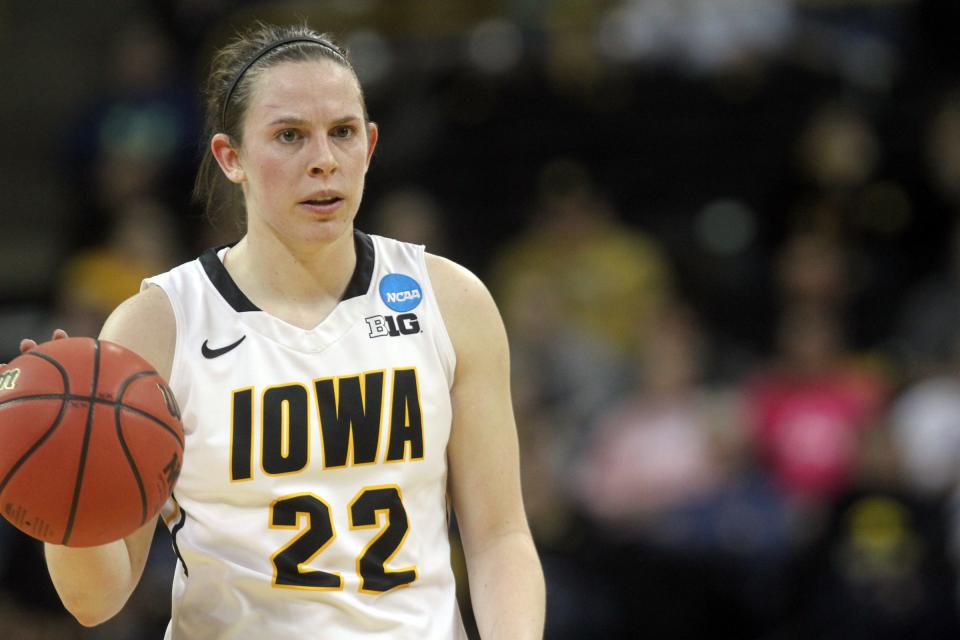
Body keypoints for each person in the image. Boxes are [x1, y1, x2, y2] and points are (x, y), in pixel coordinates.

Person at [23, 21, 545, 639]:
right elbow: (97, 600)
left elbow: (500, 538)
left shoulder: (450, 300)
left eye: (343, 133)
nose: (323, 160)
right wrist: (58, 485)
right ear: (231, 158)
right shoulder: (157, 325)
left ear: (370, 146)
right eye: (289, 135)